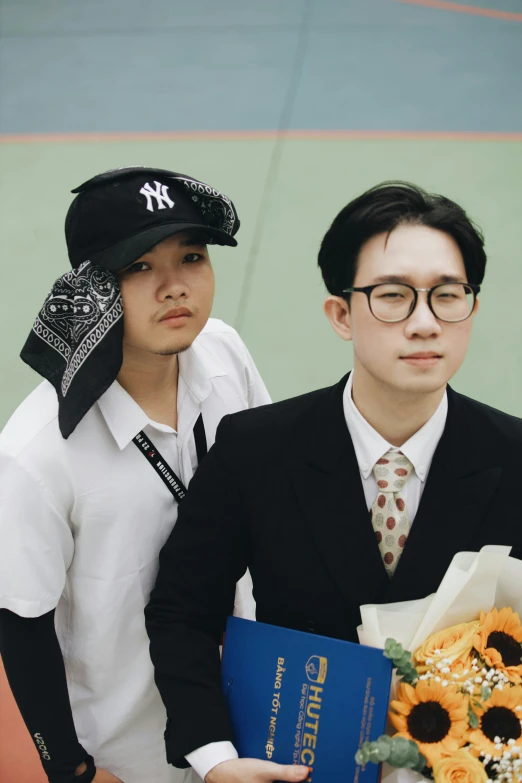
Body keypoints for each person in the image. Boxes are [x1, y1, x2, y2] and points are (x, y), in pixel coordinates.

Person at [145, 181, 522, 783]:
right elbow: (181, 612)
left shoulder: (514, 456)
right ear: (341, 314)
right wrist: (215, 759)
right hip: (296, 767)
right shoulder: (256, 448)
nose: (425, 324)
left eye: (448, 296)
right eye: (393, 296)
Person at [0, 167, 271, 783]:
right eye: (139, 267)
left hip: (255, 710)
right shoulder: (37, 455)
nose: (175, 287)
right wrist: (73, 770)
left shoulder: (225, 353)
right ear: (90, 289)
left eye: (192, 257)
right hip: (133, 753)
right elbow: (22, 625)